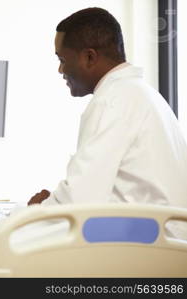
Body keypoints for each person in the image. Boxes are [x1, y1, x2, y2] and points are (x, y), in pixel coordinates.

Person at [28, 7, 187, 209]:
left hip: (144, 237)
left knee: (7, 233)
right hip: (167, 234)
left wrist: (37, 210)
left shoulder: (112, 100)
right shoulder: (143, 94)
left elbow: (80, 202)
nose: (60, 70)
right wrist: (54, 201)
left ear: (89, 57)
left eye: (62, 60)